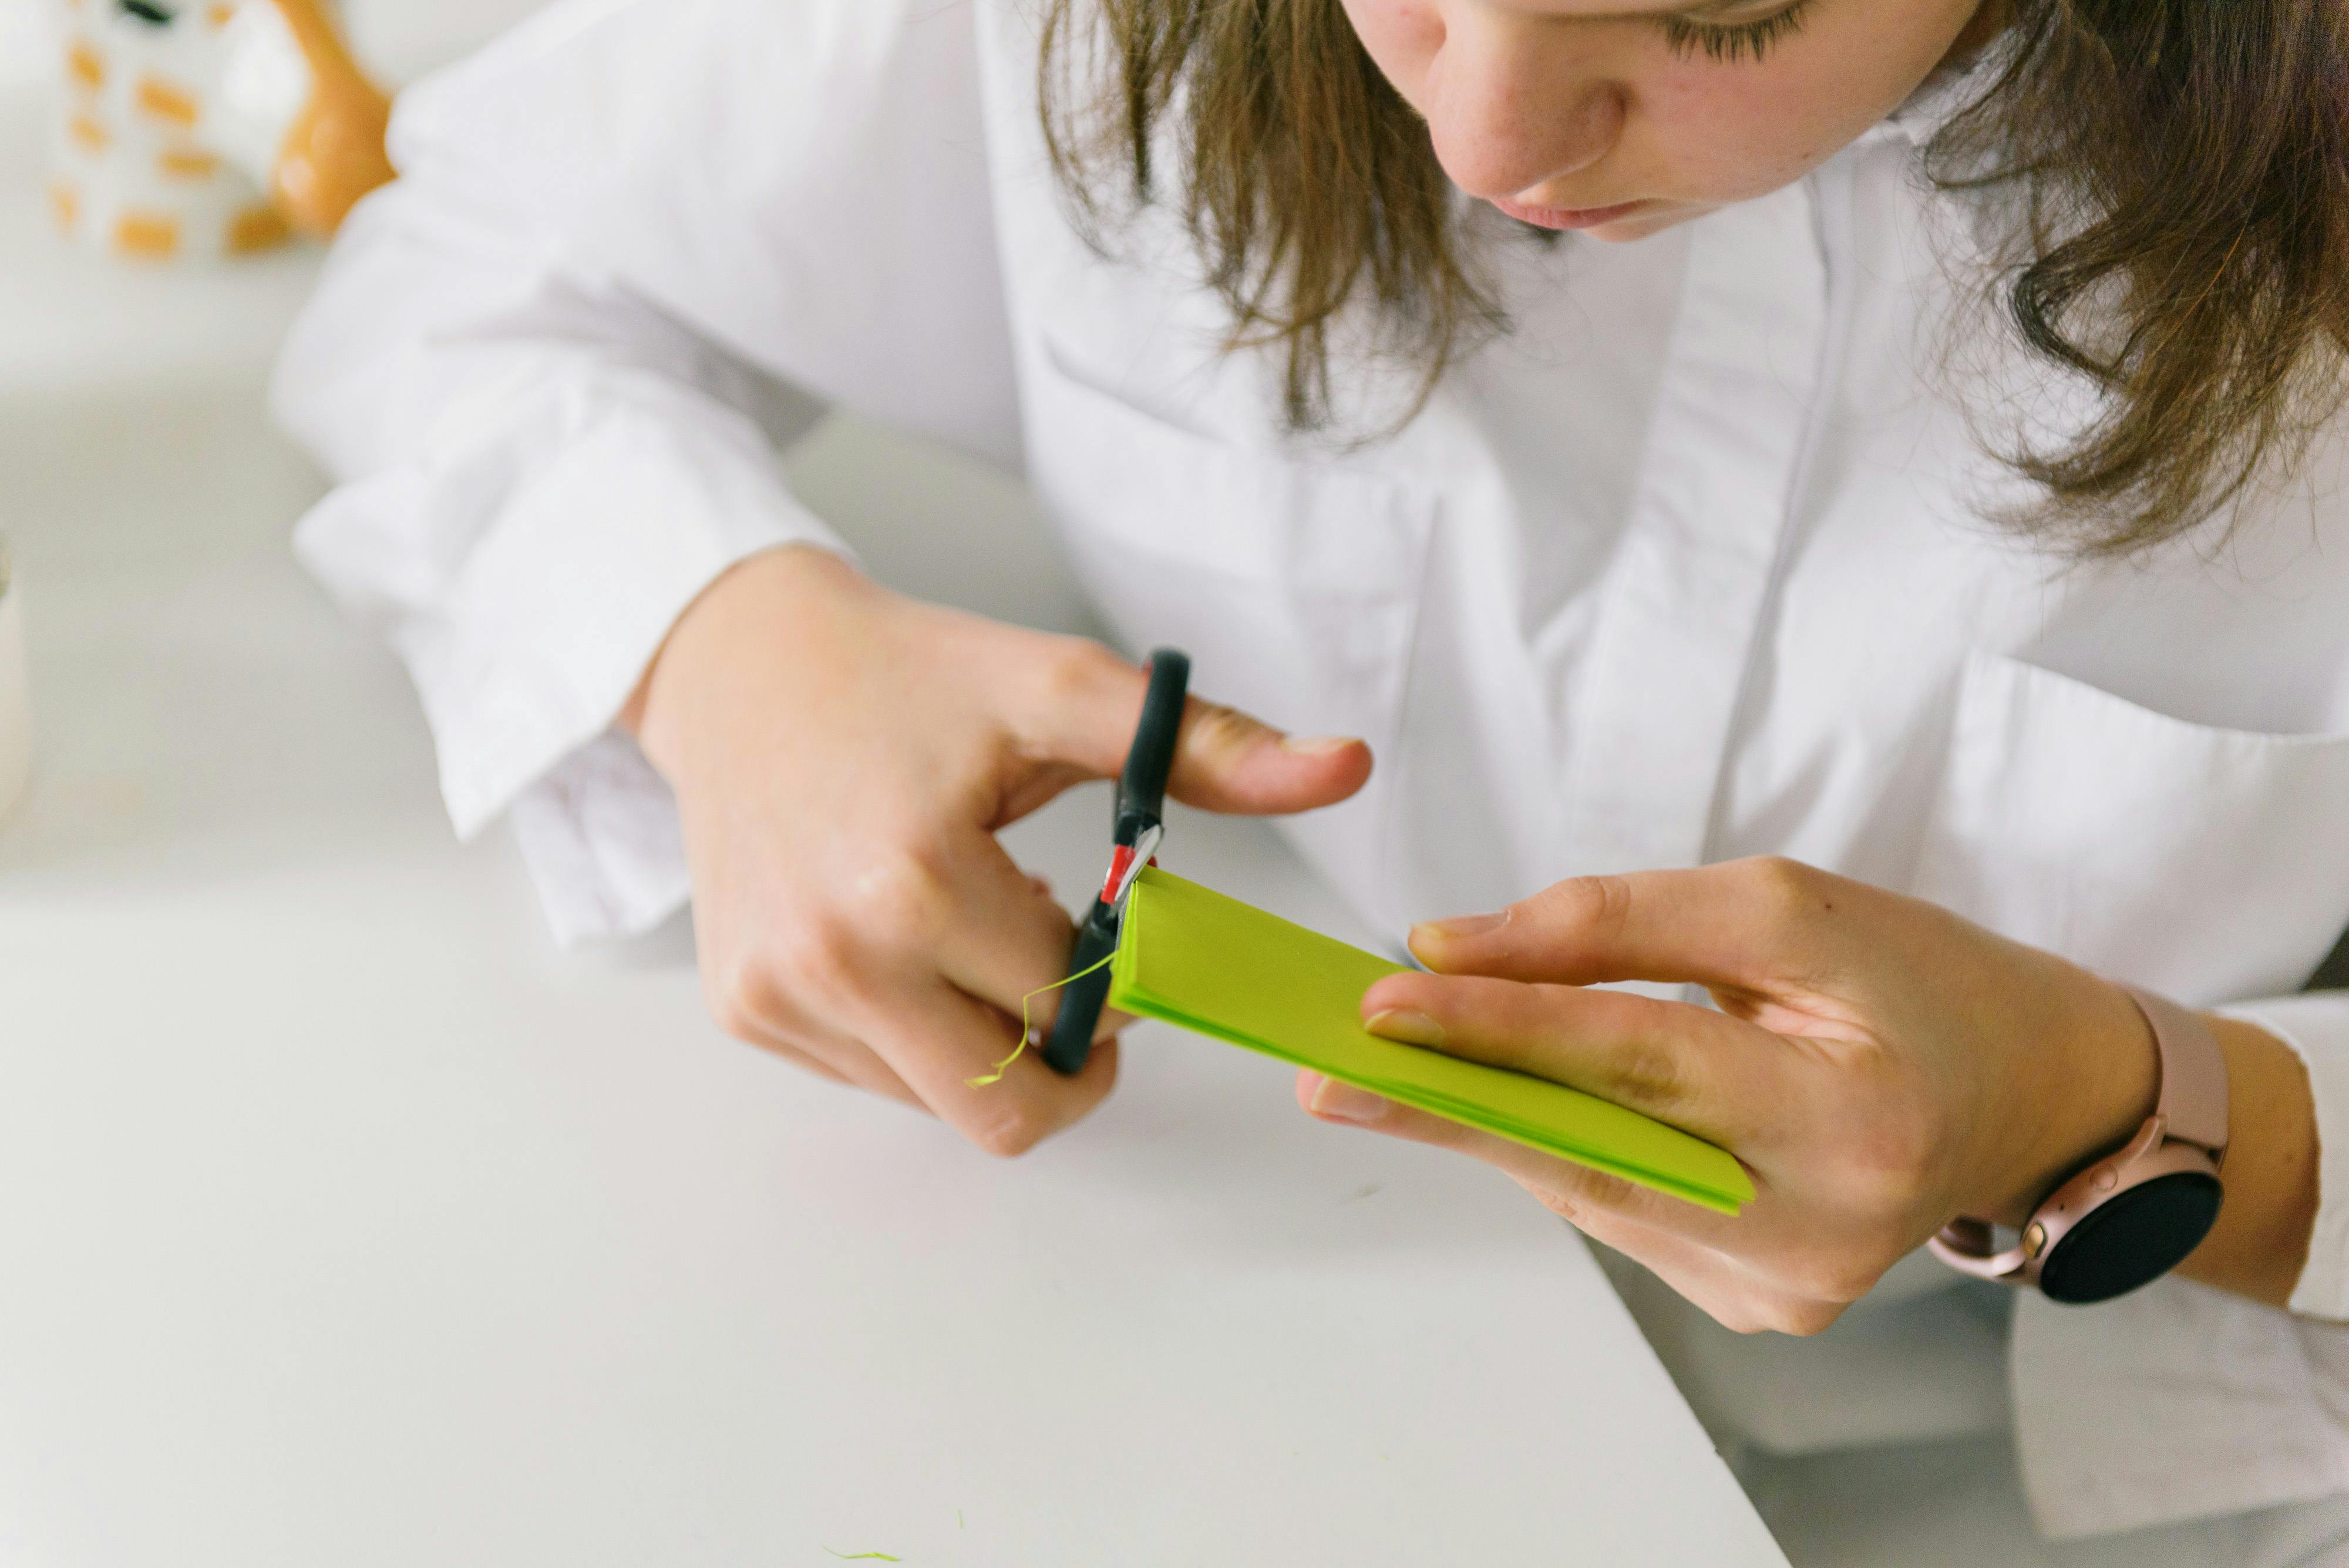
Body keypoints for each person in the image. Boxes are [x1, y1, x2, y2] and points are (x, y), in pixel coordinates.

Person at [274, 0, 2349, 1558]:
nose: (1482, 127)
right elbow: (464, 276)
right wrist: (724, 647)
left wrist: (2131, 1115)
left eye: (1721, 6)